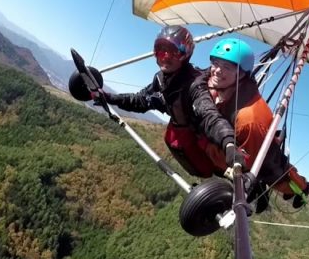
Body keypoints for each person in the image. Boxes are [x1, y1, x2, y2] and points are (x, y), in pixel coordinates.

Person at [98, 25, 244, 179]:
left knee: (207, 170)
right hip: (178, 134)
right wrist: (108, 97)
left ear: (184, 54)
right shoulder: (161, 78)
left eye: (173, 51)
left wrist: (228, 142)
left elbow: (209, 114)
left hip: (198, 141)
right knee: (173, 138)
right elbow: (140, 100)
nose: (166, 57)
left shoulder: (194, 84)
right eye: (161, 50)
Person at [198, 37, 309, 210]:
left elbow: (246, 161)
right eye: (216, 62)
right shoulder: (221, 86)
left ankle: (303, 190)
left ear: (242, 74)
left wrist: (207, 146)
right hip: (248, 138)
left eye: (227, 67)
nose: (217, 71)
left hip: (262, 153)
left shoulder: (248, 119)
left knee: (278, 176)